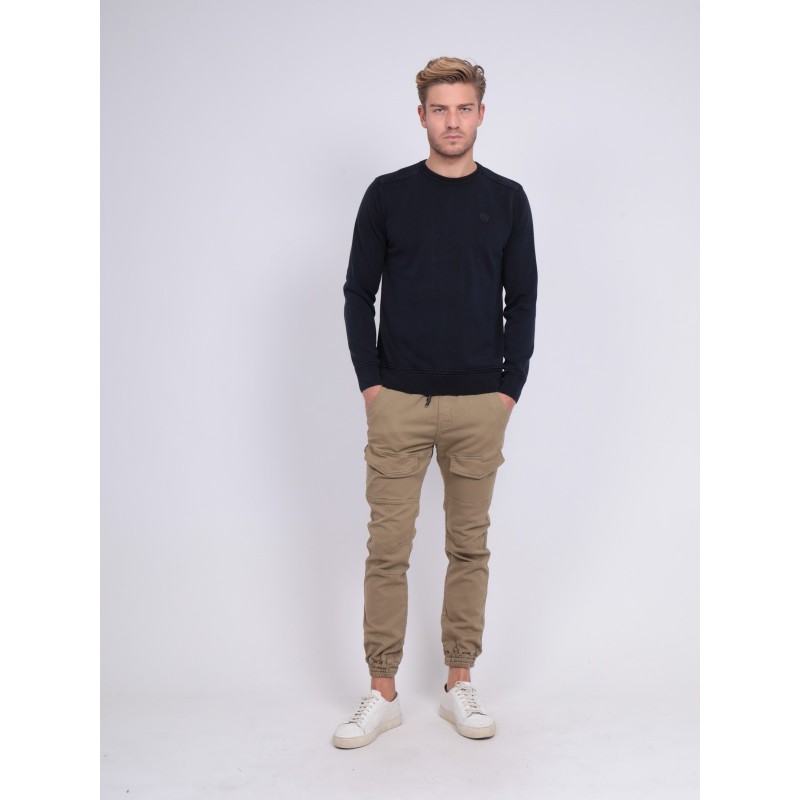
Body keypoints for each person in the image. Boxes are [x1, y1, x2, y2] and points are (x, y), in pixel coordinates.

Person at [333, 56, 538, 749]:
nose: (453, 121)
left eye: (464, 108)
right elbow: (357, 293)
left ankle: (458, 683)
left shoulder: (508, 199)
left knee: (469, 548)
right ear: (421, 115)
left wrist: (509, 388)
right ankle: (382, 692)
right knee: (387, 549)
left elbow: (523, 298)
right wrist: (371, 384)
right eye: (440, 109)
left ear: (481, 114)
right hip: (399, 401)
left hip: (480, 403)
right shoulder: (388, 195)